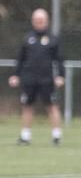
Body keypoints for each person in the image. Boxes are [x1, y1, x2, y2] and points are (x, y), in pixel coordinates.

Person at [8, 8, 65, 145]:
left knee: (51, 106)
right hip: (29, 79)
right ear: (33, 21)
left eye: (41, 20)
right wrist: (16, 75)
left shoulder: (53, 39)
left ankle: (56, 136)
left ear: (47, 21)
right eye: (36, 20)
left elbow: (59, 60)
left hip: (47, 80)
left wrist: (60, 76)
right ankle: (25, 136)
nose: (39, 22)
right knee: (27, 106)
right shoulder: (27, 38)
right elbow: (21, 59)